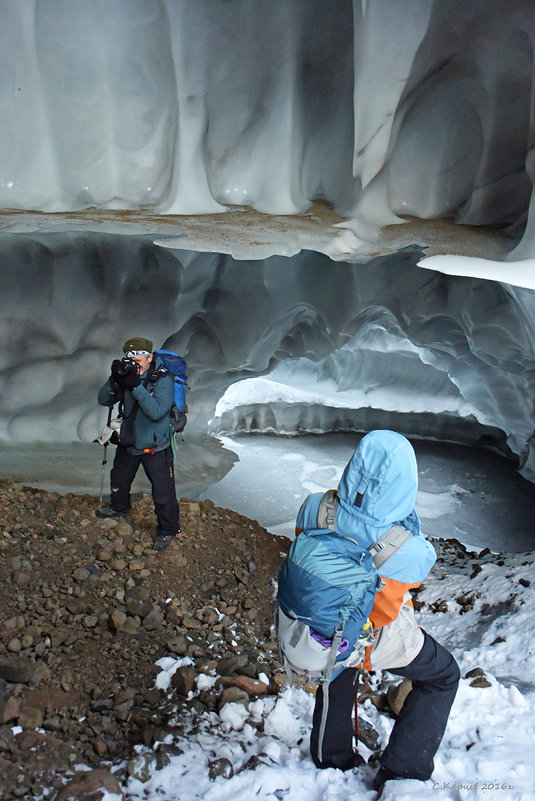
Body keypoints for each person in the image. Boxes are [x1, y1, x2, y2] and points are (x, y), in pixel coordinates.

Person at [295, 430, 460, 791]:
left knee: (335, 668)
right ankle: (404, 769)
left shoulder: (315, 505)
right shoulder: (409, 547)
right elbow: (412, 582)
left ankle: (329, 755)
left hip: (324, 621)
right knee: (443, 675)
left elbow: (303, 537)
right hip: (376, 634)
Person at [96, 336, 180, 552]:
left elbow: (155, 411)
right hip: (130, 440)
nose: (134, 360)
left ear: (149, 356)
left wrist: (135, 386)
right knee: (119, 480)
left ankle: (167, 530)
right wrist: (114, 379)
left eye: (138, 355)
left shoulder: (163, 379)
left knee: (163, 493)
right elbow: (104, 400)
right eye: (130, 356)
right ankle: (119, 507)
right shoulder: (127, 376)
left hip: (155, 446)